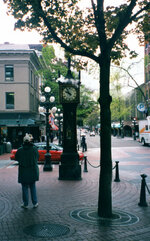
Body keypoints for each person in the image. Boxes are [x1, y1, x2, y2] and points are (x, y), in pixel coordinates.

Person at [15, 133, 39, 209]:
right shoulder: (34, 149)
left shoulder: (20, 150)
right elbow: (37, 158)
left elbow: (17, 158)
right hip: (32, 171)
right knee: (33, 187)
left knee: (24, 187)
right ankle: (35, 203)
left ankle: (25, 203)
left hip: (23, 171)